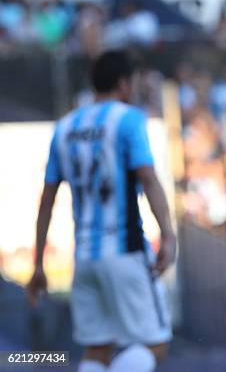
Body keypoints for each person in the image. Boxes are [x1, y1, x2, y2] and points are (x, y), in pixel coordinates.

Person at [26, 50, 177, 372]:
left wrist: (38, 263)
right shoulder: (128, 118)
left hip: (84, 258)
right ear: (124, 83)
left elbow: (47, 199)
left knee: (97, 350)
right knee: (156, 344)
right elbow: (147, 177)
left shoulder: (65, 127)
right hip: (125, 250)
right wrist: (167, 234)